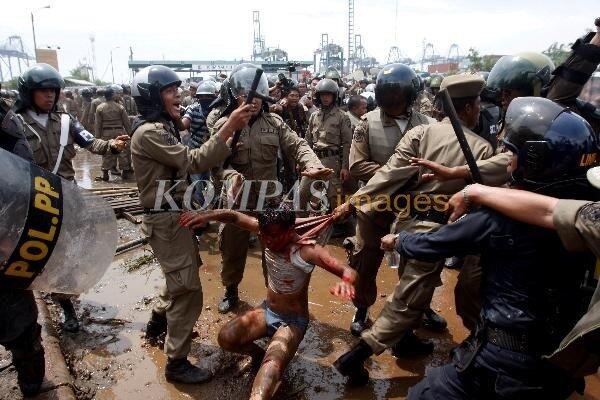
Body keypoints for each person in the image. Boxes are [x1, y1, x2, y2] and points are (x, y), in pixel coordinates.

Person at [382, 97, 599, 399]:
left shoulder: (496, 217)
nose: (507, 161)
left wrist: (398, 241)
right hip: (561, 359)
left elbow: (433, 244)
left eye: (512, 154)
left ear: (534, 160)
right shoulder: (588, 216)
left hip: (502, 359)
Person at [333, 74, 498, 379]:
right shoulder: (482, 150)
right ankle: (358, 354)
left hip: (404, 224)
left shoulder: (420, 132)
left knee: (411, 286)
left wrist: (352, 202)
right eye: (476, 105)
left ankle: (404, 340)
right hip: (435, 232)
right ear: (470, 108)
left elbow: (388, 176)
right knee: (408, 296)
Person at [130, 64, 252, 383]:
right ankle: (177, 362)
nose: (179, 96)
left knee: (179, 278)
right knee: (188, 290)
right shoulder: (151, 132)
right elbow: (193, 161)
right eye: (170, 91)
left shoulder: (163, 127)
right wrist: (229, 128)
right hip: (166, 220)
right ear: (152, 98)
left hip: (174, 215)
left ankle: (158, 322)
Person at [179, 207, 357, 400]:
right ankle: (257, 355)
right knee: (225, 337)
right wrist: (206, 216)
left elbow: (349, 272)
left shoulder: (308, 250)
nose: (268, 241)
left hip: (292, 322)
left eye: (273, 236)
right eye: (264, 236)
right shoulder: (264, 230)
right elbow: (233, 215)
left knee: (268, 376)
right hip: (268, 310)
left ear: (289, 231)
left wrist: (345, 282)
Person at [15, 63, 129, 334]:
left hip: (63, 198)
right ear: (28, 93)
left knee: (63, 253)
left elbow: (92, 143)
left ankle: (66, 307)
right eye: (43, 91)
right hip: (28, 201)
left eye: (53, 91)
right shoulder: (14, 123)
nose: (50, 96)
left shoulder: (66, 121)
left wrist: (112, 146)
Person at [212, 63, 331, 314]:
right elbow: (214, 164)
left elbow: (297, 145)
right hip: (237, 201)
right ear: (235, 96)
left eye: (257, 96)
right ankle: (231, 290)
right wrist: (231, 176)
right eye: (246, 96)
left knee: (275, 250)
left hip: (270, 201)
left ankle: (273, 295)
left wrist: (312, 165)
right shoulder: (225, 124)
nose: (253, 102)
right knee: (232, 248)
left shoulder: (274, 123)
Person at [344, 63, 436, 336]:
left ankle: (422, 308)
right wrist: (400, 174)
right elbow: (357, 166)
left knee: (417, 260)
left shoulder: (426, 124)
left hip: (414, 205)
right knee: (366, 259)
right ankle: (362, 308)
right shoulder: (367, 123)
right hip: (375, 204)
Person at [0, 99, 45, 397]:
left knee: (22, 330)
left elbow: (23, 176)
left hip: (5, 240)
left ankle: (31, 386)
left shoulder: (6, 120)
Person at [299, 78, 353, 231]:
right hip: (313, 160)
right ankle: (301, 223)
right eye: (322, 95)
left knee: (335, 196)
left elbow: (348, 143)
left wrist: (345, 167)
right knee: (302, 192)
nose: (325, 98)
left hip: (332, 161)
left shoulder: (342, 117)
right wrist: (302, 161)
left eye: (329, 95)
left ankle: (341, 225)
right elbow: (307, 140)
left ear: (335, 96)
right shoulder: (314, 116)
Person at [95, 84, 132, 181]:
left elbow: (98, 124)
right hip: (119, 132)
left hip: (106, 132)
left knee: (107, 152)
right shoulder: (120, 107)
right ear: (113, 95)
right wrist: (131, 134)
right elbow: (127, 123)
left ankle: (105, 173)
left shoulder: (100, 108)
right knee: (123, 151)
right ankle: (125, 172)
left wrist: (97, 138)